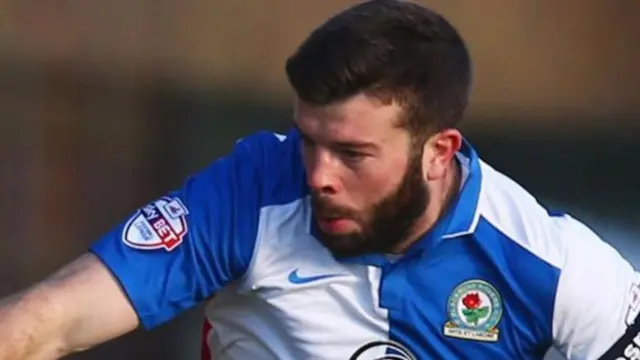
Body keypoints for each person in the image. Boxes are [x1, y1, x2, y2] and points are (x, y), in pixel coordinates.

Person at [0, 1, 638, 359]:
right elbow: (47, 324)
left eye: (352, 153)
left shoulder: (563, 273)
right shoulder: (251, 196)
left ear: (439, 151)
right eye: (309, 141)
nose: (317, 176)